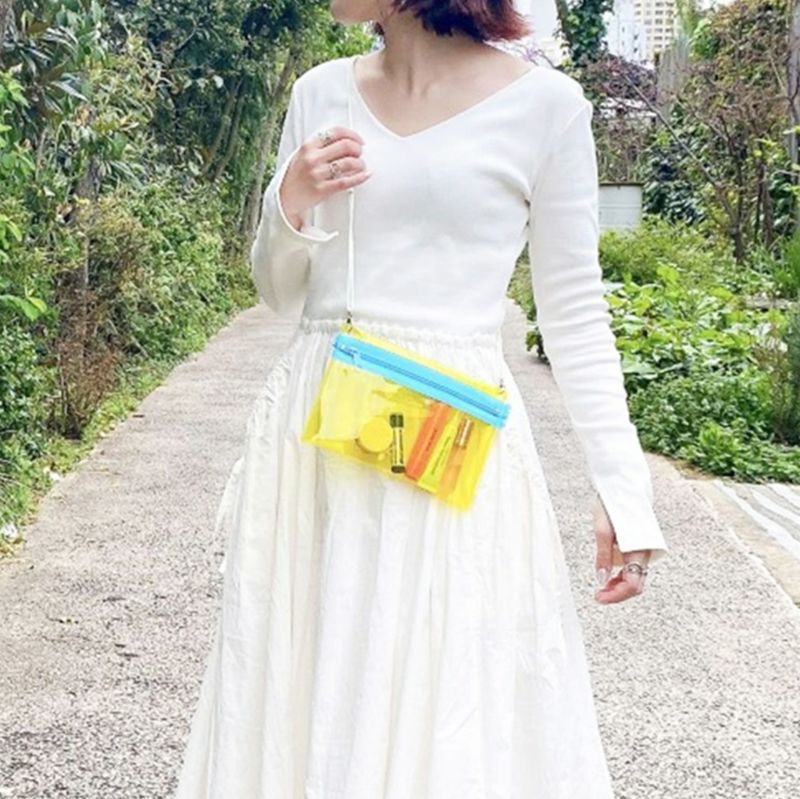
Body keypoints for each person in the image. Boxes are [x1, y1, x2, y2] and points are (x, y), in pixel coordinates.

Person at [173, 1, 670, 796]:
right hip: (319, 438)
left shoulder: (547, 108)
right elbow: (278, 292)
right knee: (309, 676)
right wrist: (289, 202)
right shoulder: (319, 91)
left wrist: (623, 488)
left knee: (443, 690)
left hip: (451, 441)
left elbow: (574, 310)